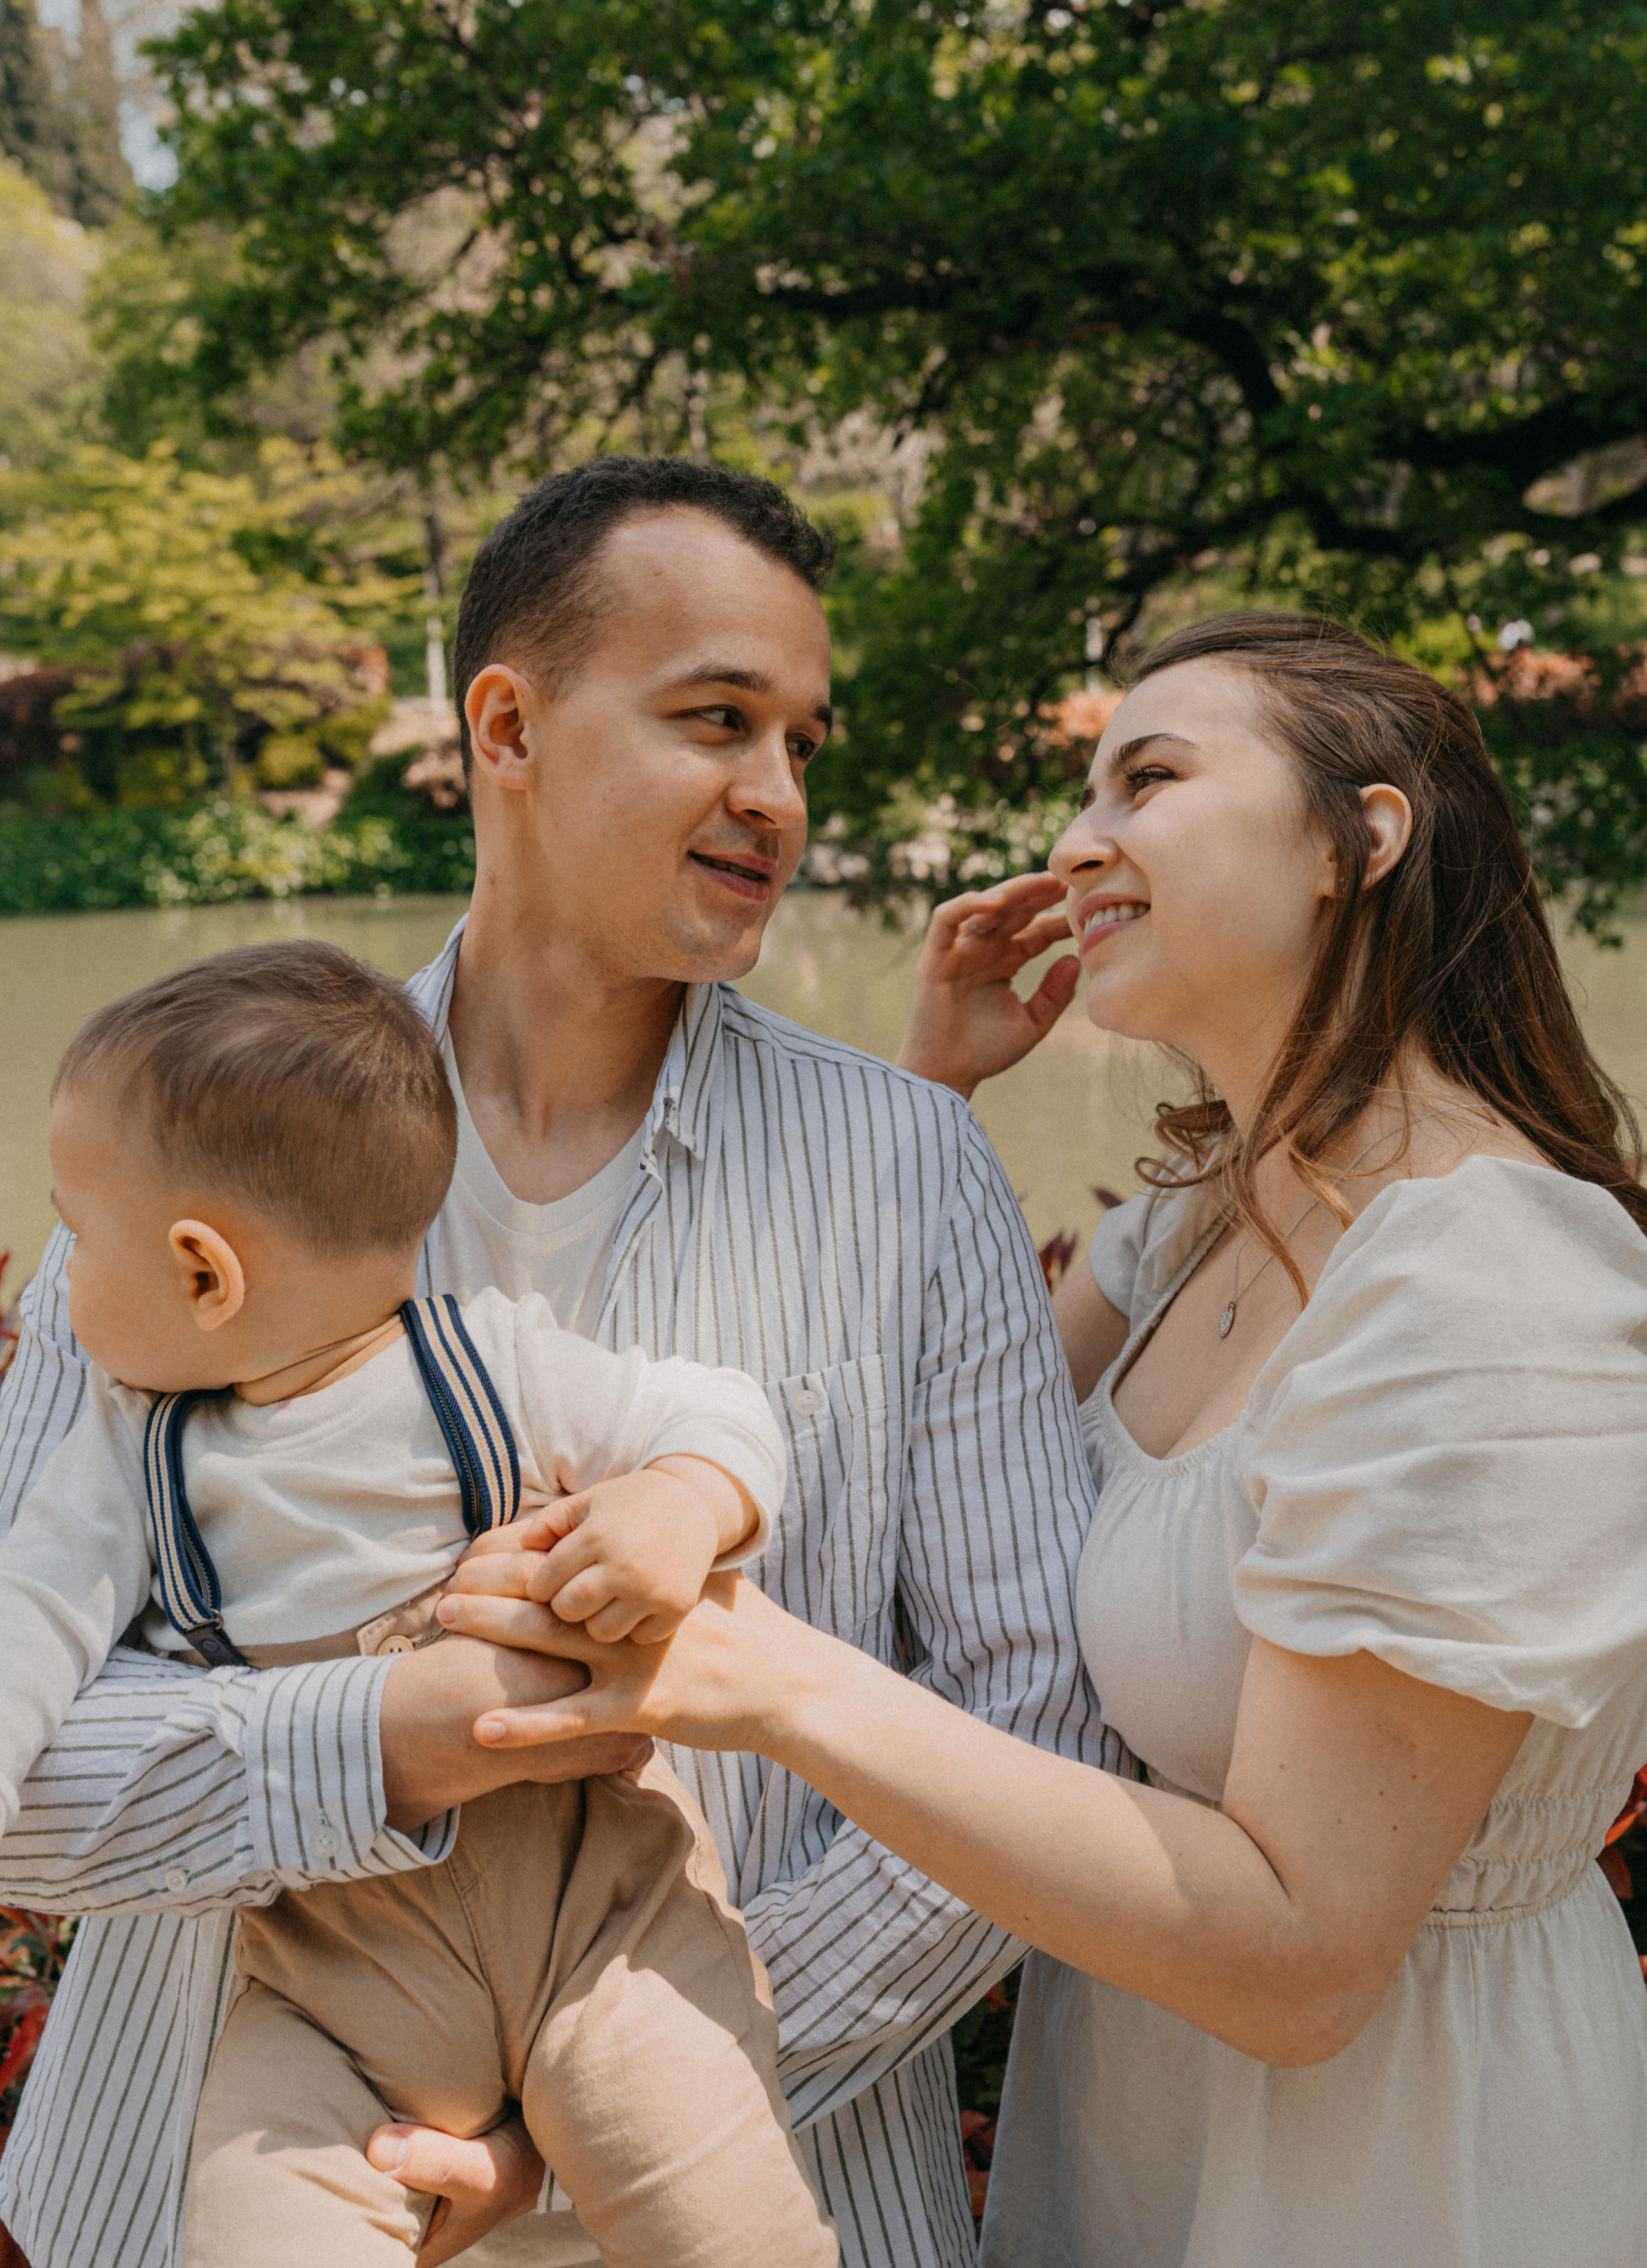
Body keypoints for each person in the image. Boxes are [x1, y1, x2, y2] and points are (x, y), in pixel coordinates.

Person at [436, 611, 1647, 2268]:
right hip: (1136, 2105)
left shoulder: (1492, 1285)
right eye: (1082, 794)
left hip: (1393, 2158)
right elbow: (876, 1451)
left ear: (1355, 843)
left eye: (1145, 780)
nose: (1075, 843)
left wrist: (778, 1686)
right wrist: (928, 1096)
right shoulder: (1201, 1226)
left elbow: (1302, 1957)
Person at [0, 458, 1109, 2268]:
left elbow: (1032, 1727)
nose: (778, 796)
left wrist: (631, 2100)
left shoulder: (912, 1172)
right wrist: (386, 1742)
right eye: (716, 720)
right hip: (211, 2180)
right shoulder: (179, 1135)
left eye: (803, 743)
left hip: (771, 2182)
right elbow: (23, 1767)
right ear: (505, 724)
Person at [0, 939, 836, 2268]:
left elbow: (708, 1410)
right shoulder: (134, 1451)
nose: (62, 1272)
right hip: (336, 1980)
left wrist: (679, 1502)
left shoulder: (485, 1365)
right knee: (258, 2214)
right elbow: (29, 1613)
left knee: (725, 2220)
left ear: (204, 1273)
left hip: (598, 1911)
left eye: (77, 1233)